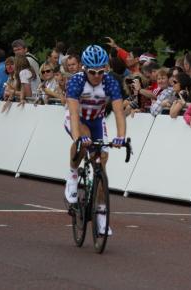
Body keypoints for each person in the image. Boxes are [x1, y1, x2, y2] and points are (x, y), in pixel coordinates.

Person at [64, 45, 126, 235]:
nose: (97, 75)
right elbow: (74, 114)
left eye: (101, 71)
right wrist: (78, 138)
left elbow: (118, 113)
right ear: (85, 68)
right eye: (93, 72)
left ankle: (101, 215)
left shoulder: (110, 82)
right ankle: (73, 176)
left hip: (97, 120)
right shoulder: (76, 82)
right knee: (83, 142)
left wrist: (121, 137)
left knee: (101, 164)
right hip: (78, 119)